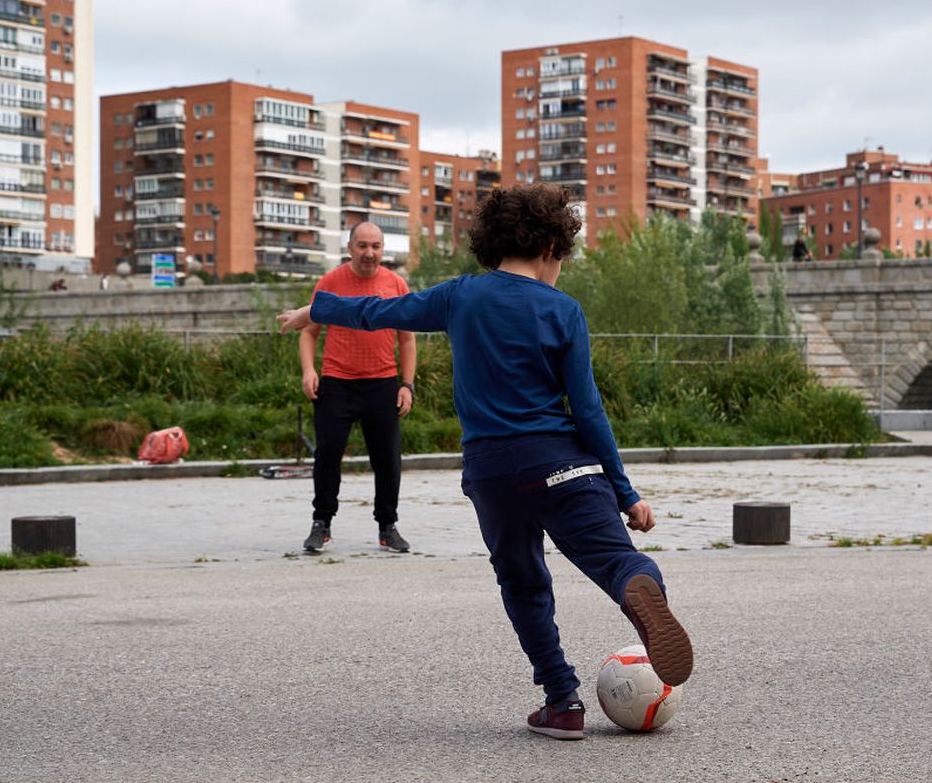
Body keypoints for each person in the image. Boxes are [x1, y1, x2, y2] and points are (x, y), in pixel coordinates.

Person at [278, 185, 693, 741]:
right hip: (564, 463)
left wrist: (316, 308)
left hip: (494, 471)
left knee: (522, 582)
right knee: (620, 561)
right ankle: (637, 592)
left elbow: (382, 310)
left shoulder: (459, 297)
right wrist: (625, 492)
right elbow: (589, 411)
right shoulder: (564, 310)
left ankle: (562, 702)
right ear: (551, 246)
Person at [298, 222, 415, 554]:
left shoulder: (395, 284)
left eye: (376, 246)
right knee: (327, 456)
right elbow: (308, 331)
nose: (369, 253)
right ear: (350, 247)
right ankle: (321, 524)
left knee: (388, 459)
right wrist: (309, 370)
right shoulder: (331, 282)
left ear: (383, 249)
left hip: (382, 383)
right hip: (336, 383)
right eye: (362, 246)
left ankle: (387, 526)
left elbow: (407, 339)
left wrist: (407, 385)